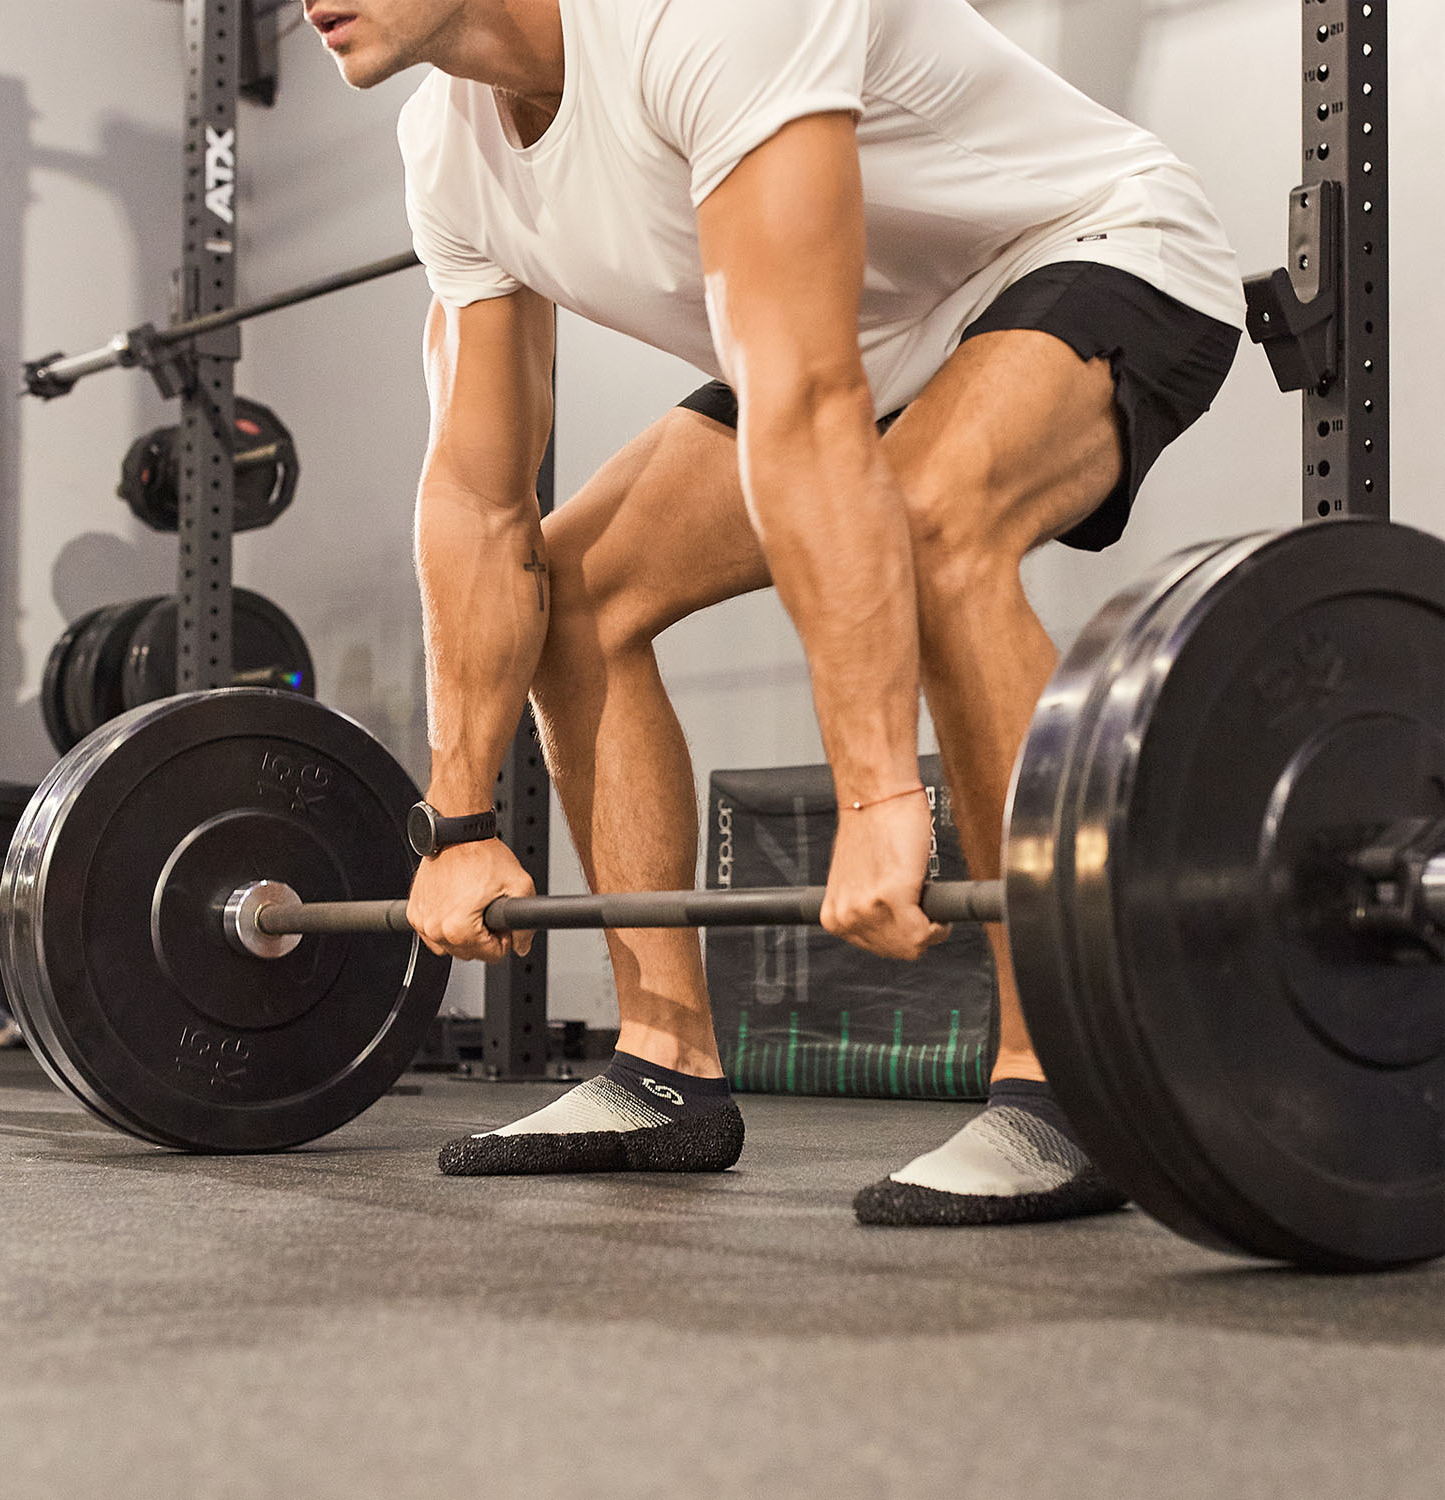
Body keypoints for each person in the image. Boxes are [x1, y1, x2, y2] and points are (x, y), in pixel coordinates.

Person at [307, 0, 1245, 1224]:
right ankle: (665, 1067)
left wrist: (879, 796)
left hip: (1092, 244)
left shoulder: (696, 15)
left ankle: (1063, 1078)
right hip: (880, 336)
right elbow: (479, 504)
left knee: (931, 521)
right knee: (576, 592)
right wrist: (460, 824)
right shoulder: (446, 147)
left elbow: (803, 397)